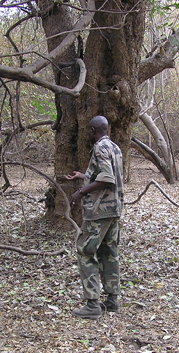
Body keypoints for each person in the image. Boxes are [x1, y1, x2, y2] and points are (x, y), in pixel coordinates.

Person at [65, 116, 124, 319]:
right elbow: (109, 174)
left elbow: (107, 178)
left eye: (88, 131)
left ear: (92, 130)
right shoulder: (115, 147)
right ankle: (112, 300)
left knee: (86, 252)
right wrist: (85, 176)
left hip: (99, 210)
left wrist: (81, 191)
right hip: (114, 209)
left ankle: (92, 304)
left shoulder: (99, 148)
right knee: (109, 251)